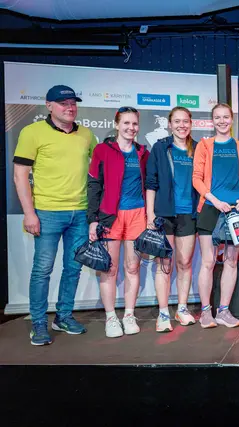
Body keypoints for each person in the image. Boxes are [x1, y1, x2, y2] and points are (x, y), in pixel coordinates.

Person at [13, 85, 96, 346]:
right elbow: (20, 175)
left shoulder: (86, 134)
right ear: (49, 105)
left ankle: (64, 317)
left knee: (73, 268)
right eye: (63, 103)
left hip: (80, 213)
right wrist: (29, 213)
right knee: (42, 270)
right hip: (47, 212)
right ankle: (38, 323)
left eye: (73, 103)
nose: (70, 107)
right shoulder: (32, 132)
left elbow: (99, 168)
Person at [88, 107, 149, 338]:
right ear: (116, 125)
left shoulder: (143, 152)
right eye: (126, 123)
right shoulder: (102, 150)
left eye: (134, 124)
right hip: (110, 216)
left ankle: (129, 315)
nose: (131, 128)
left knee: (132, 267)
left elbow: (149, 185)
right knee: (109, 269)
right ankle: (111, 317)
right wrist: (92, 220)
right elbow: (94, 185)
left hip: (137, 215)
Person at [192, 103, 239, 329]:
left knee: (231, 261)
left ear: (232, 119)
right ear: (212, 121)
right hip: (210, 208)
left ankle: (224, 311)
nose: (222, 121)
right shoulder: (205, 145)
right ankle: (206, 312)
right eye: (218, 117)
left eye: (226, 117)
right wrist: (214, 200)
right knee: (208, 262)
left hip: (236, 211)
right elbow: (196, 178)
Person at [145, 107, 200, 333]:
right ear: (170, 124)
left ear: (191, 124)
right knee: (164, 264)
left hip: (189, 214)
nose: (181, 125)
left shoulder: (198, 148)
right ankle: (163, 312)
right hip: (165, 213)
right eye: (177, 121)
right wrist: (150, 215)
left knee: (185, 263)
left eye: (185, 121)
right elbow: (151, 183)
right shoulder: (160, 148)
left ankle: (182, 308)